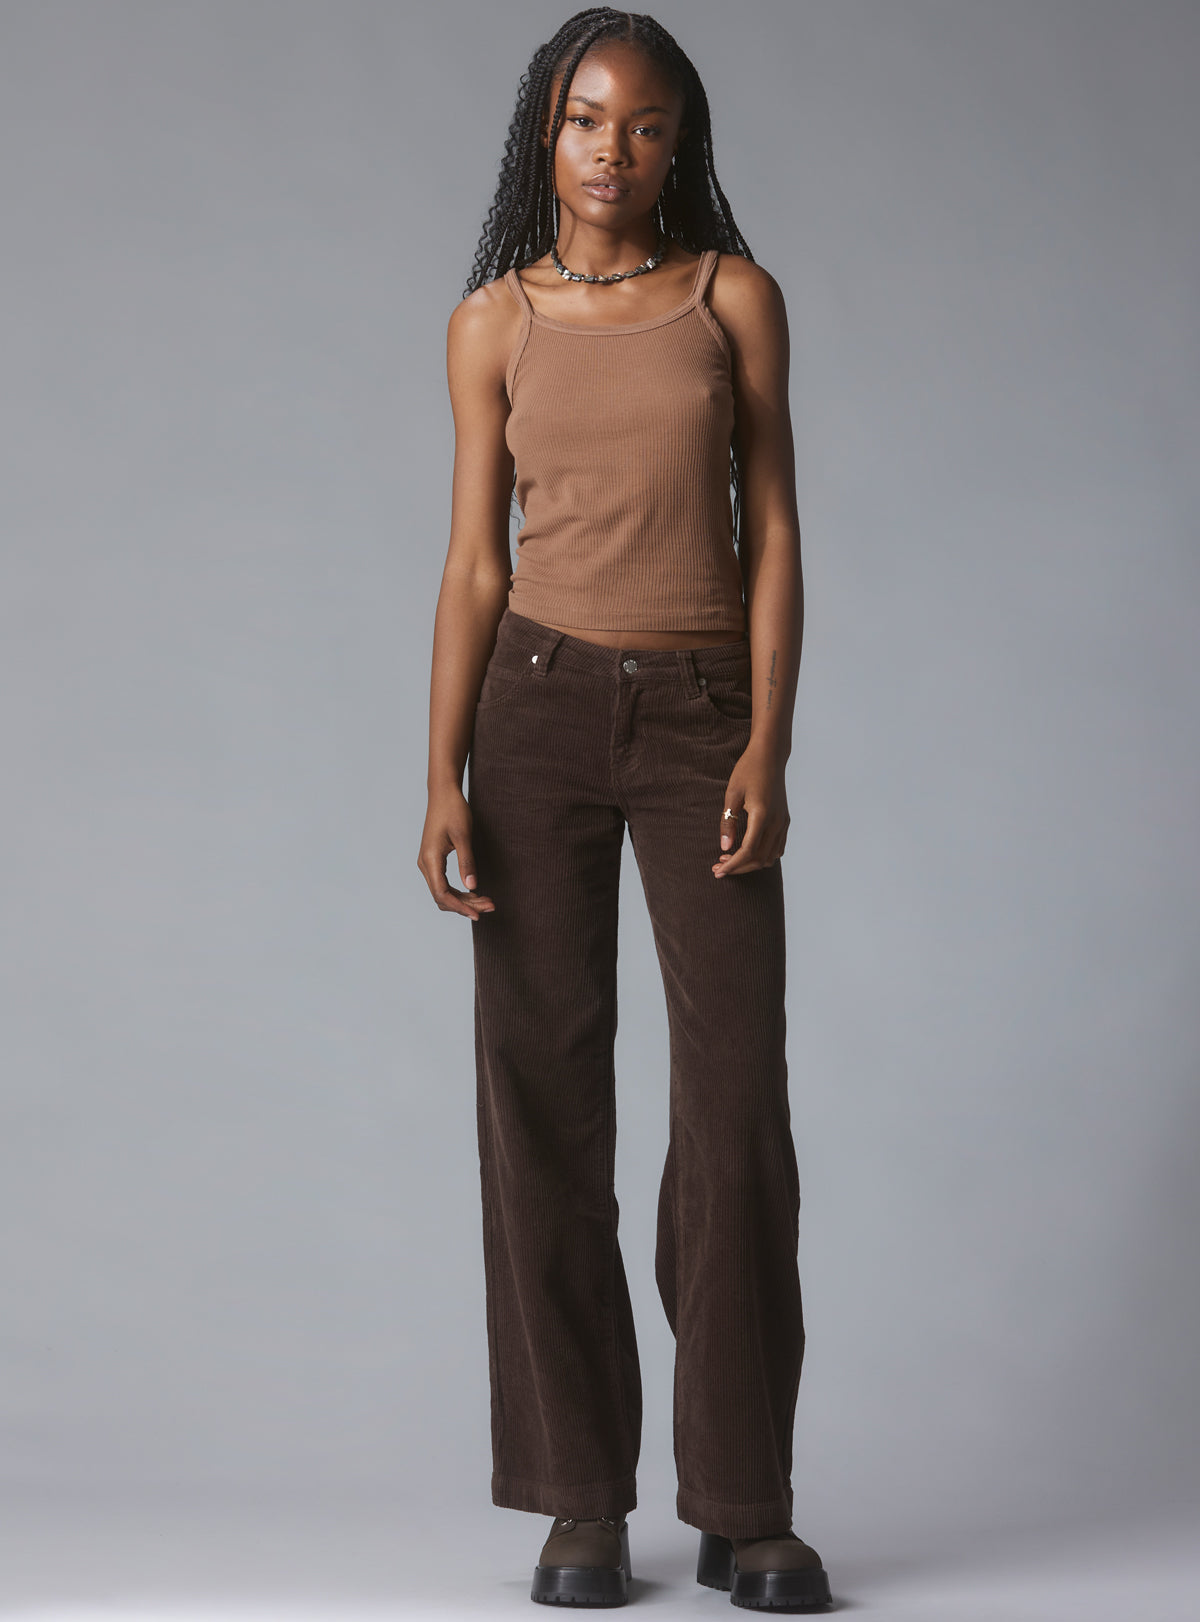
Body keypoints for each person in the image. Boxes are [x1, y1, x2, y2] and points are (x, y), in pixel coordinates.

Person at [418, 8, 831, 1611]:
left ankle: (745, 1498)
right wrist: (440, 772)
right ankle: (580, 1498)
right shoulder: (490, 324)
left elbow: (774, 529)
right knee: (539, 1103)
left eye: (646, 125)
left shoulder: (734, 300)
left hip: (702, 714)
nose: (613, 149)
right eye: (587, 119)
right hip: (530, 713)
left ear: (680, 145)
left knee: (734, 1106)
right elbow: (475, 562)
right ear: (548, 132)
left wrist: (768, 742)